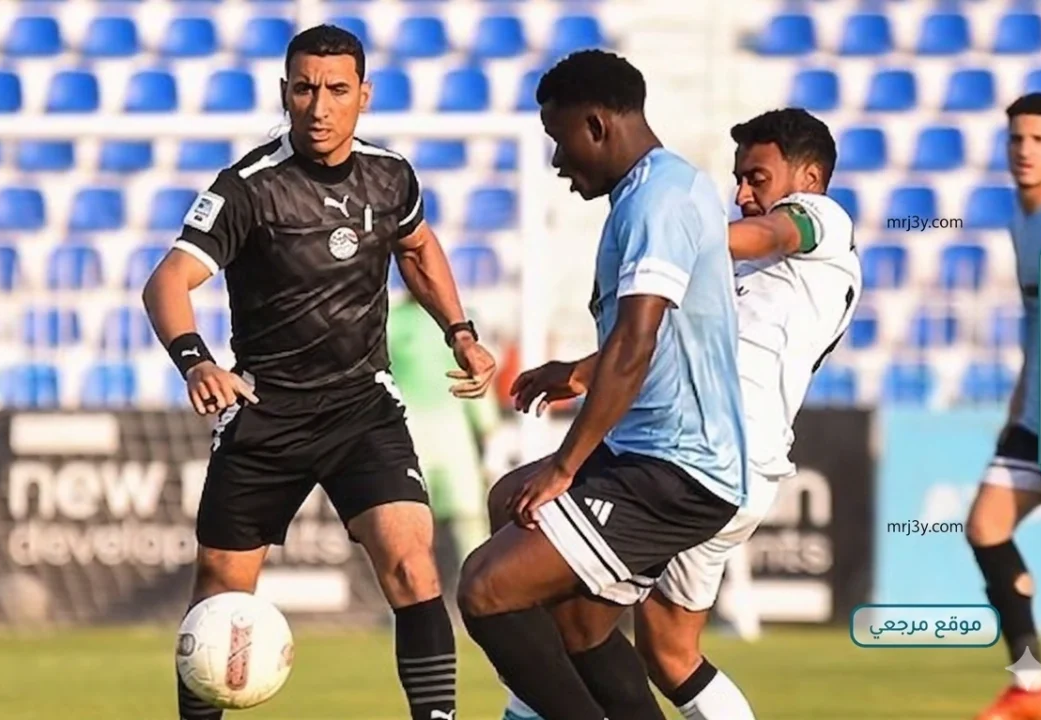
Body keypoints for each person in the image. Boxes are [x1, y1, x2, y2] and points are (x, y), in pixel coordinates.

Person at [142, 25, 497, 720]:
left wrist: (460, 332)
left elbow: (417, 249)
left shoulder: (391, 177)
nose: (319, 106)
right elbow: (168, 281)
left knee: (413, 566)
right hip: (266, 412)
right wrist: (196, 360)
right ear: (285, 92)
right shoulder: (247, 188)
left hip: (361, 408)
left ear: (364, 95)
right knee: (219, 599)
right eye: (304, 89)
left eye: (336, 89)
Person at [496, 107, 863, 720]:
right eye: (738, 180)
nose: (742, 195)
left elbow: (774, 233)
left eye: (757, 178)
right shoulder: (749, 278)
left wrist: (672, 227)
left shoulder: (822, 220)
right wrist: (584, 371)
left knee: (545, 588)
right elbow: (665, 345)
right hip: (727, 463)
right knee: (668, 652)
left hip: (701, 460)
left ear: (809, 179)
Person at [456, 49, 746, 720]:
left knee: (485, 588)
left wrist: (564, 466)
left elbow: (638, 342)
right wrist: (579, 372)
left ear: (596, 125)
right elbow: (653, 338)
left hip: (676, 468)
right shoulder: (659, 189)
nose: (558, 161)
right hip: (656, 455)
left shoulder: (658, 200)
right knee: (577, 622)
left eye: (559, 140)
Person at [967, 92, 1041, 720]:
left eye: (1039, 139)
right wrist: (1017, 407)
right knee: (986, 525)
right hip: (1038, 416)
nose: (1025, 150)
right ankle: (1032, 686)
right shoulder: (1020, 217)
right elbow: (1040, 322)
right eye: (1016, 138)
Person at [386, 292, 500, 597]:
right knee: (408, 524)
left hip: (454, 433)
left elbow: (477, 377)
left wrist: (489, 434)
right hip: (408, 429)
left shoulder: (462, 323)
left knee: (469, 521)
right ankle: (407, 607)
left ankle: (481, 600)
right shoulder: (391, 319)